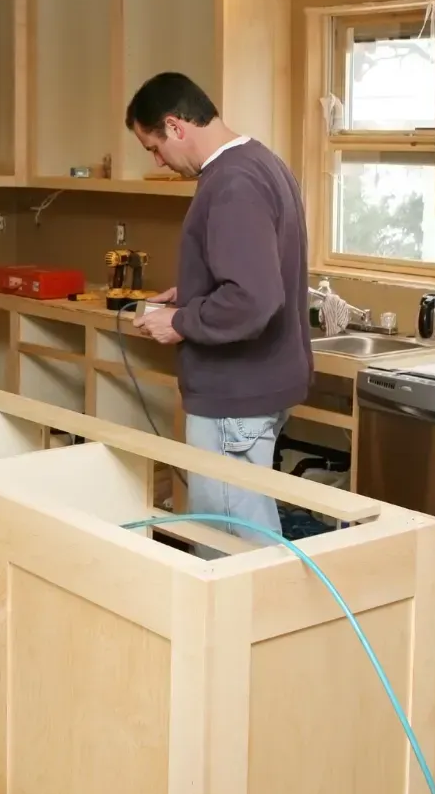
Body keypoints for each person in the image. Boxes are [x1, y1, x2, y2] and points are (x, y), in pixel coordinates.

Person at [128, 71, 310, 536]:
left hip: (234, 394)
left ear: (175, 126)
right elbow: (252, 273)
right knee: (245, 531)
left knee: (231, 544)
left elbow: (253, 297)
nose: (160, 161)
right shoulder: (261, 162)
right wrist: (188, 293)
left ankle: (265, 613)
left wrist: (182, 322)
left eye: (154, 147)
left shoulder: (232, 183)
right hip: (255, 384)